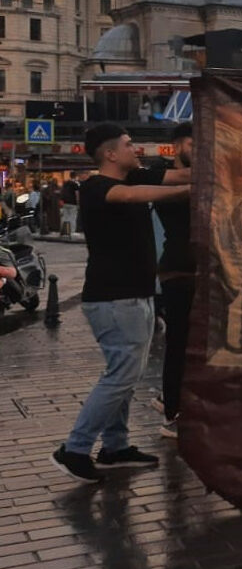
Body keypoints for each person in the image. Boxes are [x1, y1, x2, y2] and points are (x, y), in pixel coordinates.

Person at [51, 124, 190, 484]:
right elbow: (133, 195)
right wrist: (190, 191)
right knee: (121, 376)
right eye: (129, 144)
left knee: (125, 374)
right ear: (111, 153)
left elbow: (179, 174)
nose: (136, 149)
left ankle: (115, 447)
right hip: (113, 298)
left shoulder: (136, 174)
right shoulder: (95, 187)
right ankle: (75, 449)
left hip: (135, 294)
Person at [150, 124, 196, 437]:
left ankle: (174, 399)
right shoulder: (162, 177)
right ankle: (173, 413)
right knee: (179, 342)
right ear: (177, 146)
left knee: (195, 343)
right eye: (194, 144)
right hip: (178, 270)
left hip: (199, 269)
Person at [60, 172, 82, 236]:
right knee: (73, 217)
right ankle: (72, 231)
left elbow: (62, 192)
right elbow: (77, 194)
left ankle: (64, 231)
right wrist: (78, 203)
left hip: (65, 202)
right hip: (73, 203)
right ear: (75, 176)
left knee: (65, 217)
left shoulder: (65, 183)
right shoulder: (75, 184)